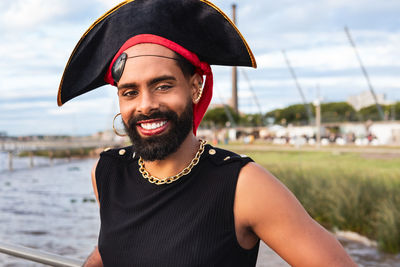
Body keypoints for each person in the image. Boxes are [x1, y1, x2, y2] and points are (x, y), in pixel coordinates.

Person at [58, 0, 357, 266]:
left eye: (163, 86)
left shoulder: (244, 185)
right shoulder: (108, 172)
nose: (145, 105)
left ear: (195, 86)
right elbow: (116, 245)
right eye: (130, 92)